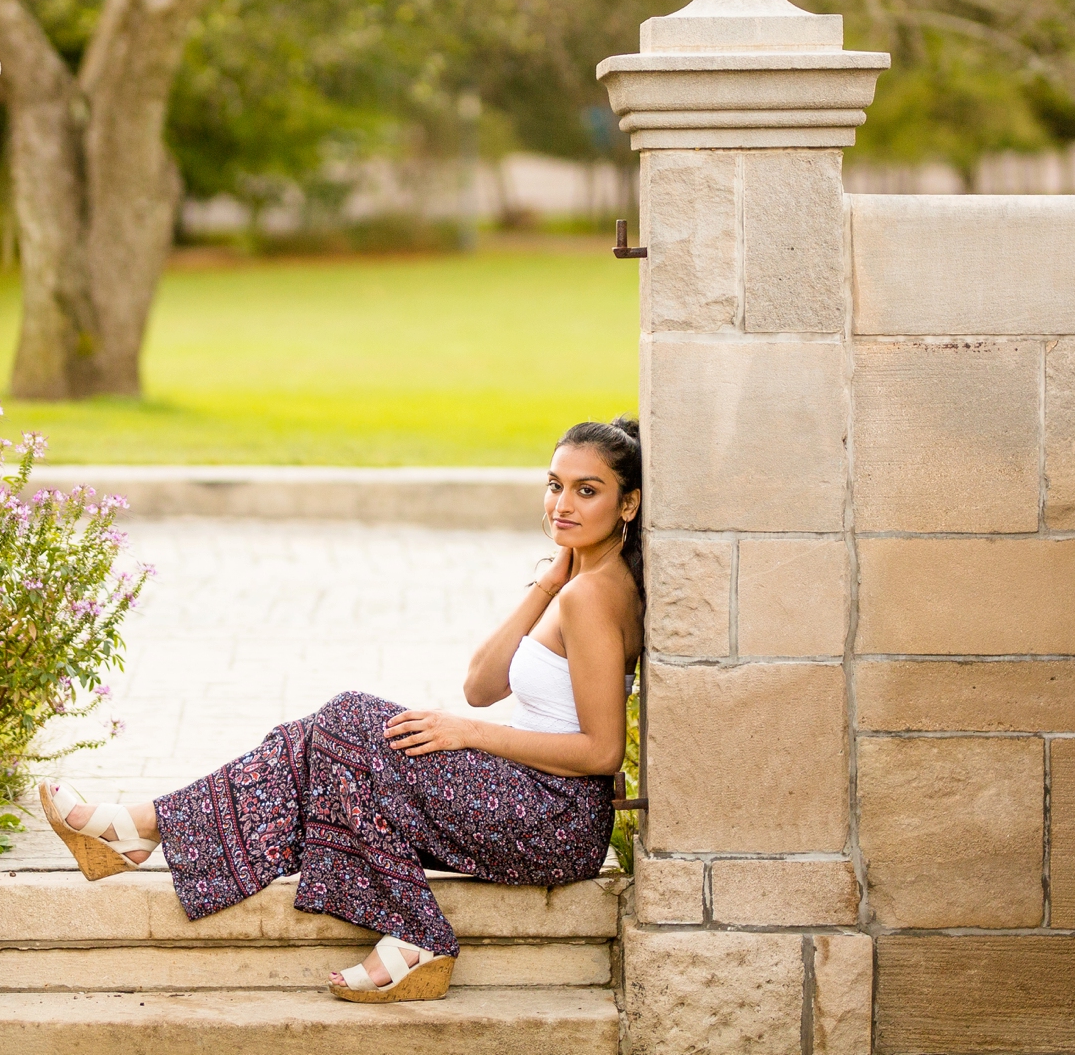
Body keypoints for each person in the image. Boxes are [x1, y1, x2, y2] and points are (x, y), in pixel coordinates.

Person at [38, 418, 644, 1003]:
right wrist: (547, 580)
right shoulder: (577, 581)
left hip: (552, 818)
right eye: (554, 485)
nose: (561, 503)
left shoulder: (592, 595)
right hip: (531, 796)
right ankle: (142, 830)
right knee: (313, 745)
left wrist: (469, 736)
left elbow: (599, 751)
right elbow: (481, 684)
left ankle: (145, 830)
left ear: (628, 506)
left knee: (345, 725)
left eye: (586, 491)